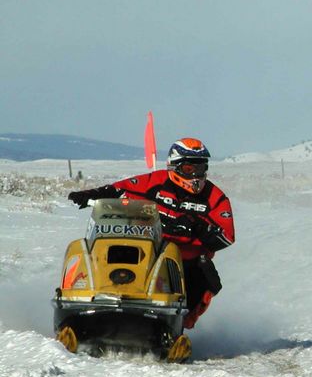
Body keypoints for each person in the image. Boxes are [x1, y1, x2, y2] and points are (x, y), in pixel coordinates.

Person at [67, 138, 235, 329]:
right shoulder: (154, 181)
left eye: (201, 168)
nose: (196, 175)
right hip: (145, 244)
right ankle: (87, 298)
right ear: (175, 166)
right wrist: (91, 194)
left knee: (207, 280)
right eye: (190, 169)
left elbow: (227, 236)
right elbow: (119, 190)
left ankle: (178, 324)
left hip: (184, 259)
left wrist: (196, 226)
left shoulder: (215, 196)